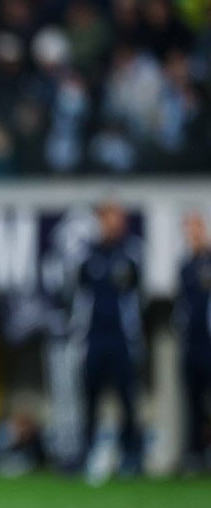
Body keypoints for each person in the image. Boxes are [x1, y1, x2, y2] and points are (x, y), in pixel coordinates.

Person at [71, 200, 145, 484]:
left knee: (127, 397)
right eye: (109, 217)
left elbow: (140, 292)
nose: (115, 223)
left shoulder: (131, 251)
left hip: (122, 338)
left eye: (118, 217)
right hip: (93, 338)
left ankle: (131, 455)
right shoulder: (87, 253)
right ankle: (88, 451)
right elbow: (76, 292)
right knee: (90, 398)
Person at [176, 212, 211, 471]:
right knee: (192, 402)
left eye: (197, 228)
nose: (194, 235)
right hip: (193, 343)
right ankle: (195, 455)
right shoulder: (186, 266)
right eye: (189, 230)